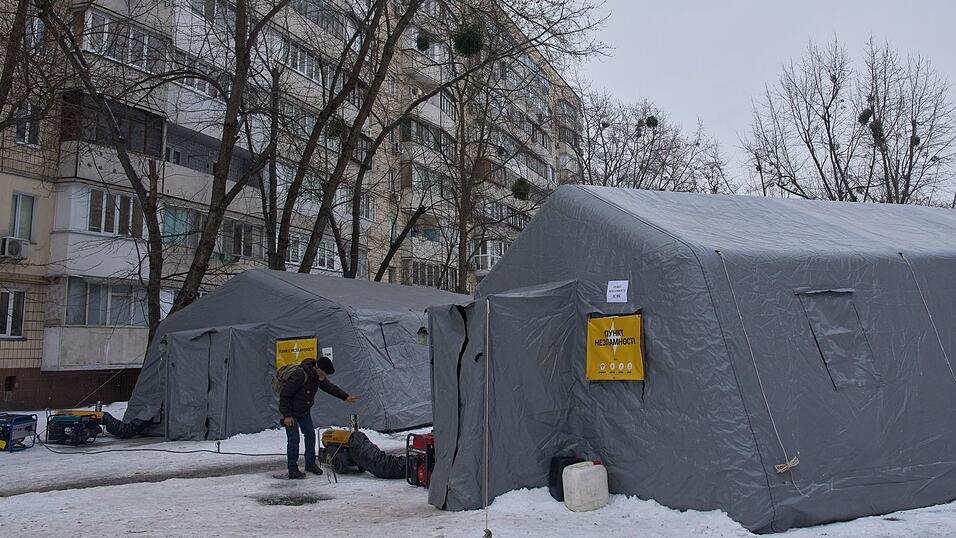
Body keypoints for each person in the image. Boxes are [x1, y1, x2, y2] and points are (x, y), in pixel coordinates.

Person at [279, 356, 359, 479]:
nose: (325, 376)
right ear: (318, 368)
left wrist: (345, 397)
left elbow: (330, 388)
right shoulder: (300, 375)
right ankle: (293, 469)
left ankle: (310, 464)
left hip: (304, 411)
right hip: (291, 413)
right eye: (325, 373)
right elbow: (285, 395)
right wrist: (287, 416)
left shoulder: (317, 377)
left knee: (310, 436)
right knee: (294, 441)